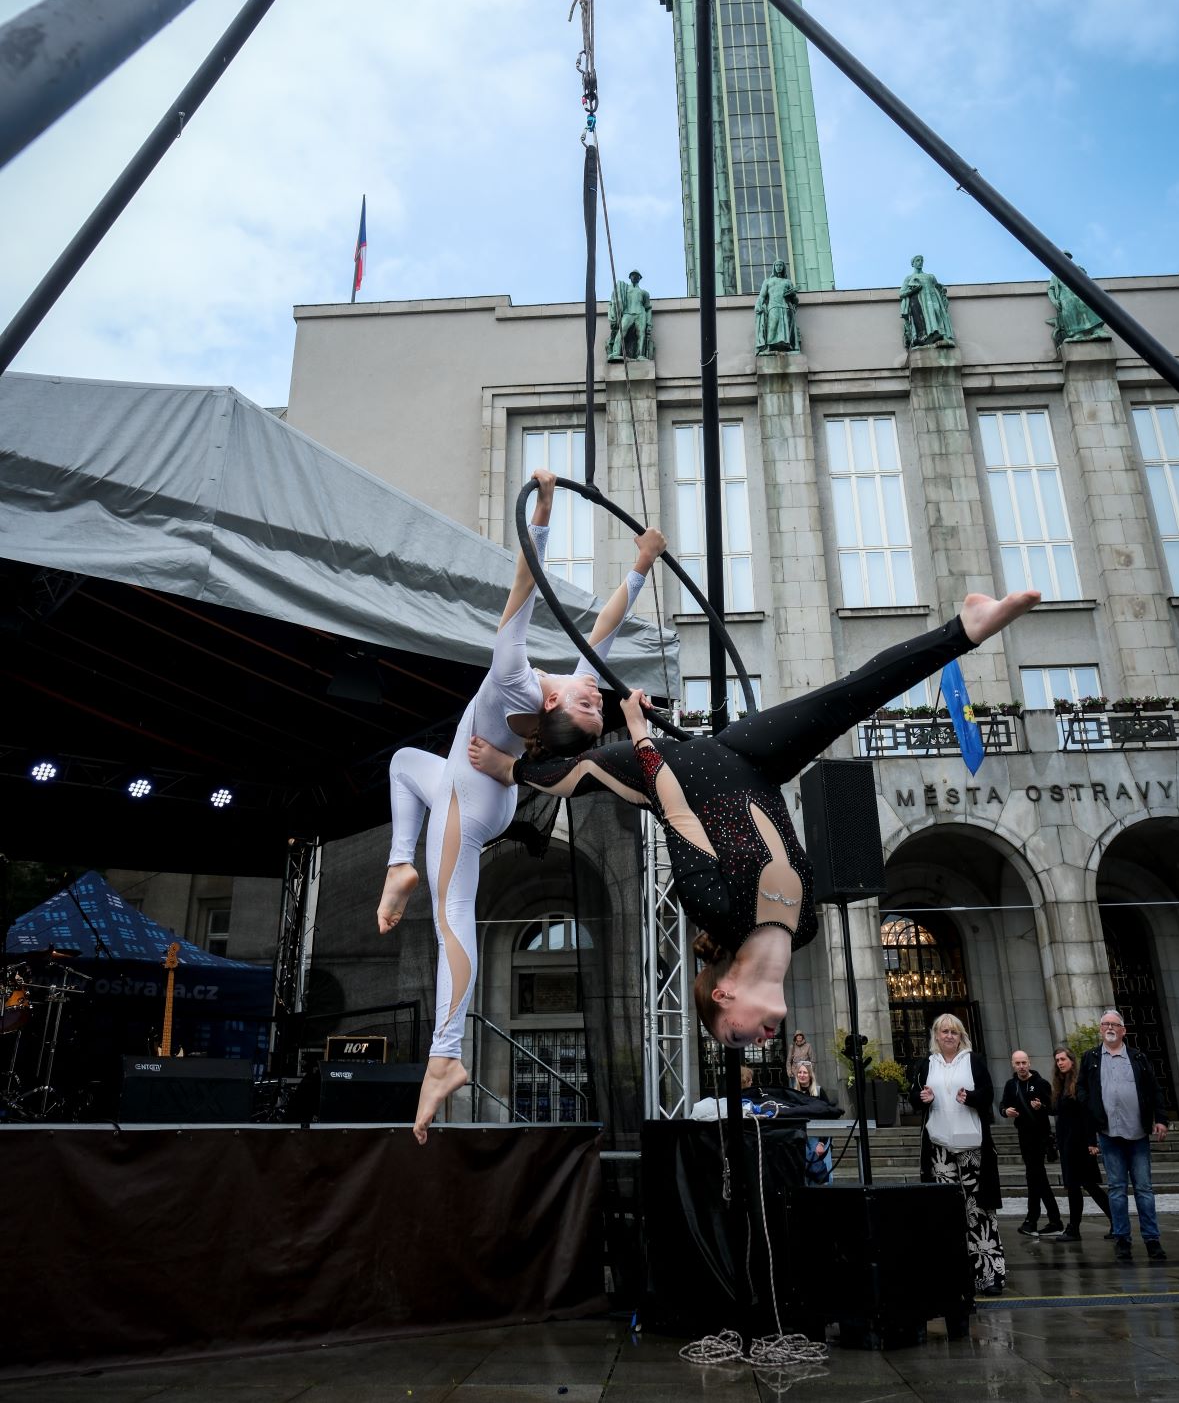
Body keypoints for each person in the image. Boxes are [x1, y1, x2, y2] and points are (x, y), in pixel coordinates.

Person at [472, 590, 1039, 1049]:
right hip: (753, 765)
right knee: (847, 700)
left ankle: (509, 768)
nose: (758, 1042)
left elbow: (676, 813)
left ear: (724, 998)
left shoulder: (716, 911)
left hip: (676, 770)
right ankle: (967, 629)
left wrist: (641, 735)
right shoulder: (807, 929)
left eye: (736, 1038)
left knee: (574, 775)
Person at [378, 469, 666, 1142]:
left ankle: (445, 1055)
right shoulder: (567, 690)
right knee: (400, 764)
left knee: (454, 915)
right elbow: (604, 626)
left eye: (592, 709)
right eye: (597, 705)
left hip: (470, 796)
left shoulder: (514, 676)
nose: (595, 698)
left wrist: (542, 505)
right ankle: (397, 866)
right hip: (482, 787)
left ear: (560, 714)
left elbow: (524, 582)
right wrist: (642, 567)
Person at [910, 1013, 1006, 1296]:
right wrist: (921, 1098)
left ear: (961, 1035)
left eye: (954, 1031)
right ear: (936, 1036)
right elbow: (916, 1095)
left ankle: (989, 1275)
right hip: (939, 1148)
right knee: (945, 1210)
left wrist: (972, 1097)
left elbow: (988, 1094)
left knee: (978, 1210)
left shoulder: (973, 1061)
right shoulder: (926, 1064)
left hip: (972, 1147)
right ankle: (950, 1273)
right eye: (944, 1031)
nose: (949, 1036)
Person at [1078, 1009, 1169, 1263]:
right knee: (1117, 1189)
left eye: (1114, 1024)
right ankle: (1122, 1240)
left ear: (1123, 1030)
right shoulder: (1091, 1058)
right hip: (1109, 1134)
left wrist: (1160, 1119)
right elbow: (1082, 1087)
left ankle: (1152, 1240)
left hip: (1137, 1133)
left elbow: (1154, 1089)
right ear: (1100, 1029)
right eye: (1105, 1024)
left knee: (1144, 1189)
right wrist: (1091, 1108)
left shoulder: (1138, 1057)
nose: (1109, 1028)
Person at [1049, 1044, 1111, 1242]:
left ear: (1072, 1061)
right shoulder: (1061, 1084)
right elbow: (1059, 1112)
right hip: (1067, 1144)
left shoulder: (1078, 1082)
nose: (1060, 1063)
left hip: (1081, 1143)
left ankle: (1114, 1222)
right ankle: (1074, 1228)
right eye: (1057, 1060)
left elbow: (1087, 1113)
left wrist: (1092, 1142)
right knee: (1075, 1186)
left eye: (1063, 1059)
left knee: (1089, 1186)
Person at [1001, 1050, 1063, 1237]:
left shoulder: (1041, 1084)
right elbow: (1002, 1106)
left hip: (1040, 1135)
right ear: (1013, 1064)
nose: (1021, 1066)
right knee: (1035, 1176)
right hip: (1024, 1135)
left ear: (1029, 1063)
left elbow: (1053, 1108)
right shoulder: (1011, 1085)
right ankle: (1046, 1220)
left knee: (1035, 1175)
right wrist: (1007, 1112)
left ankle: (1036, 1220)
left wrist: (1041, 1107)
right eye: (1017, 1063)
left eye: (1024, 1063)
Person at [793, 1059, 836, 1185]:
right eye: (799, 1072)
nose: (802, 1075)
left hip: (819, 1137)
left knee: (823, 1174)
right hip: (802, 1137)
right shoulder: (793, 1093)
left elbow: (828, 1116)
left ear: (810, 1075)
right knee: (806, 1174)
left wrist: (821, 1143)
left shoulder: (818, 1091)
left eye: (805, 1072)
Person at [754, 260, 801, 354]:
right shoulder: (768, 281)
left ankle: (788, 346)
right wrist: (758, 305)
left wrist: (793, 295)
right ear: (774, 267)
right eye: (777, 265)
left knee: (787, 328)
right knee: (773, 325)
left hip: (786, 307)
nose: (779, 267)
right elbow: (762, 296)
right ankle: (769, 346)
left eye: (781, 265)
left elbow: (795, 299)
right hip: (773, 306)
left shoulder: (787, 282)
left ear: (783, 267)